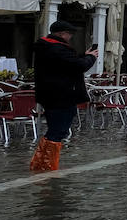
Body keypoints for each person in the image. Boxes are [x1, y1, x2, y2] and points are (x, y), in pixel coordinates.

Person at [29, 19, 99, 173]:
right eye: (69, 34)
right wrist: (91, 58)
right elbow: (79, 66)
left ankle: (39, 163)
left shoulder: (47, 47)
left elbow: (65, 63)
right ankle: (48, 166)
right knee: (58, 130)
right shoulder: (56, 48)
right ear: (62, 34)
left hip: (51, 94)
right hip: (61, 95)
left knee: (54, 130)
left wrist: (83, 55)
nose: (71, 37)